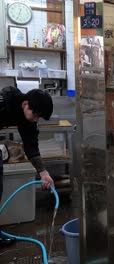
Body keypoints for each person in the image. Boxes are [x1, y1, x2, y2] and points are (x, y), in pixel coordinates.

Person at [0, 86, 54, 247]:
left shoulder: (27, 120)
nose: (36, 119)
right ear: (25, 104)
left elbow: (31, 146)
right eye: (36, 115)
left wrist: (43, 173)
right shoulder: (4, 101)